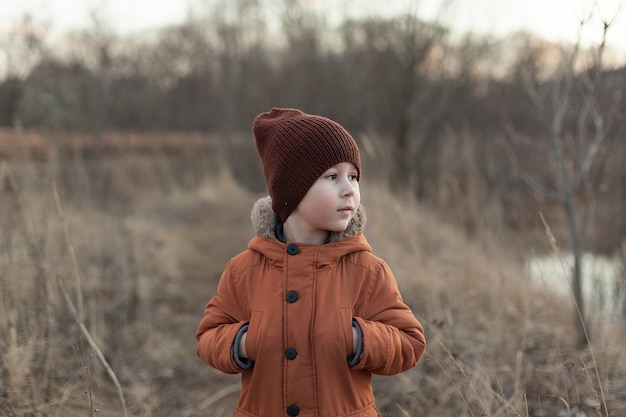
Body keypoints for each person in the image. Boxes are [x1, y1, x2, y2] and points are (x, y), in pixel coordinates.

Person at [195, 108, 426, 417]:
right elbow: (209, 336)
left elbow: (410, 342)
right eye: (332, 177)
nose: (349, 189)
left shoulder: (367, 271)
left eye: (353, 176)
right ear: (292, 190)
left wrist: (356, 337)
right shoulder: (244, 270)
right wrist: (244, 342)